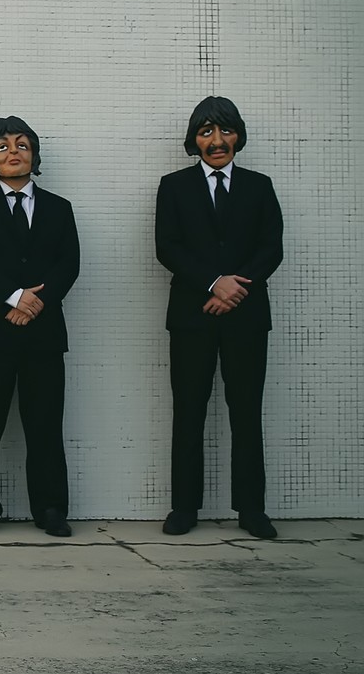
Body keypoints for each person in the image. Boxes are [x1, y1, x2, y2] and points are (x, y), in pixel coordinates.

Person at [155, 96, 284, 540]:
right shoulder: (173, 186)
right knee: (188, 411)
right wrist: (213, 283)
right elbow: (168, 247)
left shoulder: (260, 186)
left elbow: (271, 247)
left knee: (246, 412)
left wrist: (234, 290)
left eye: (225, 130)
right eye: (206, 131)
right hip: (191, 318)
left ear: (238, 136)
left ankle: (252, 509)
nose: (216, 140)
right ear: (194, 140)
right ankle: (183, 507)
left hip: (246, 317)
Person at [0, 116, 80, 538]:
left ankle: (50, 507)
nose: (13, 152)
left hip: (43, 335)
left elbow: (69, 264)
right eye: (3, 146)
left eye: (22, 145)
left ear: (34, 155)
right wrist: (13, 297)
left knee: (45, 426)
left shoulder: (59, 208)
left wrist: (34, 303)